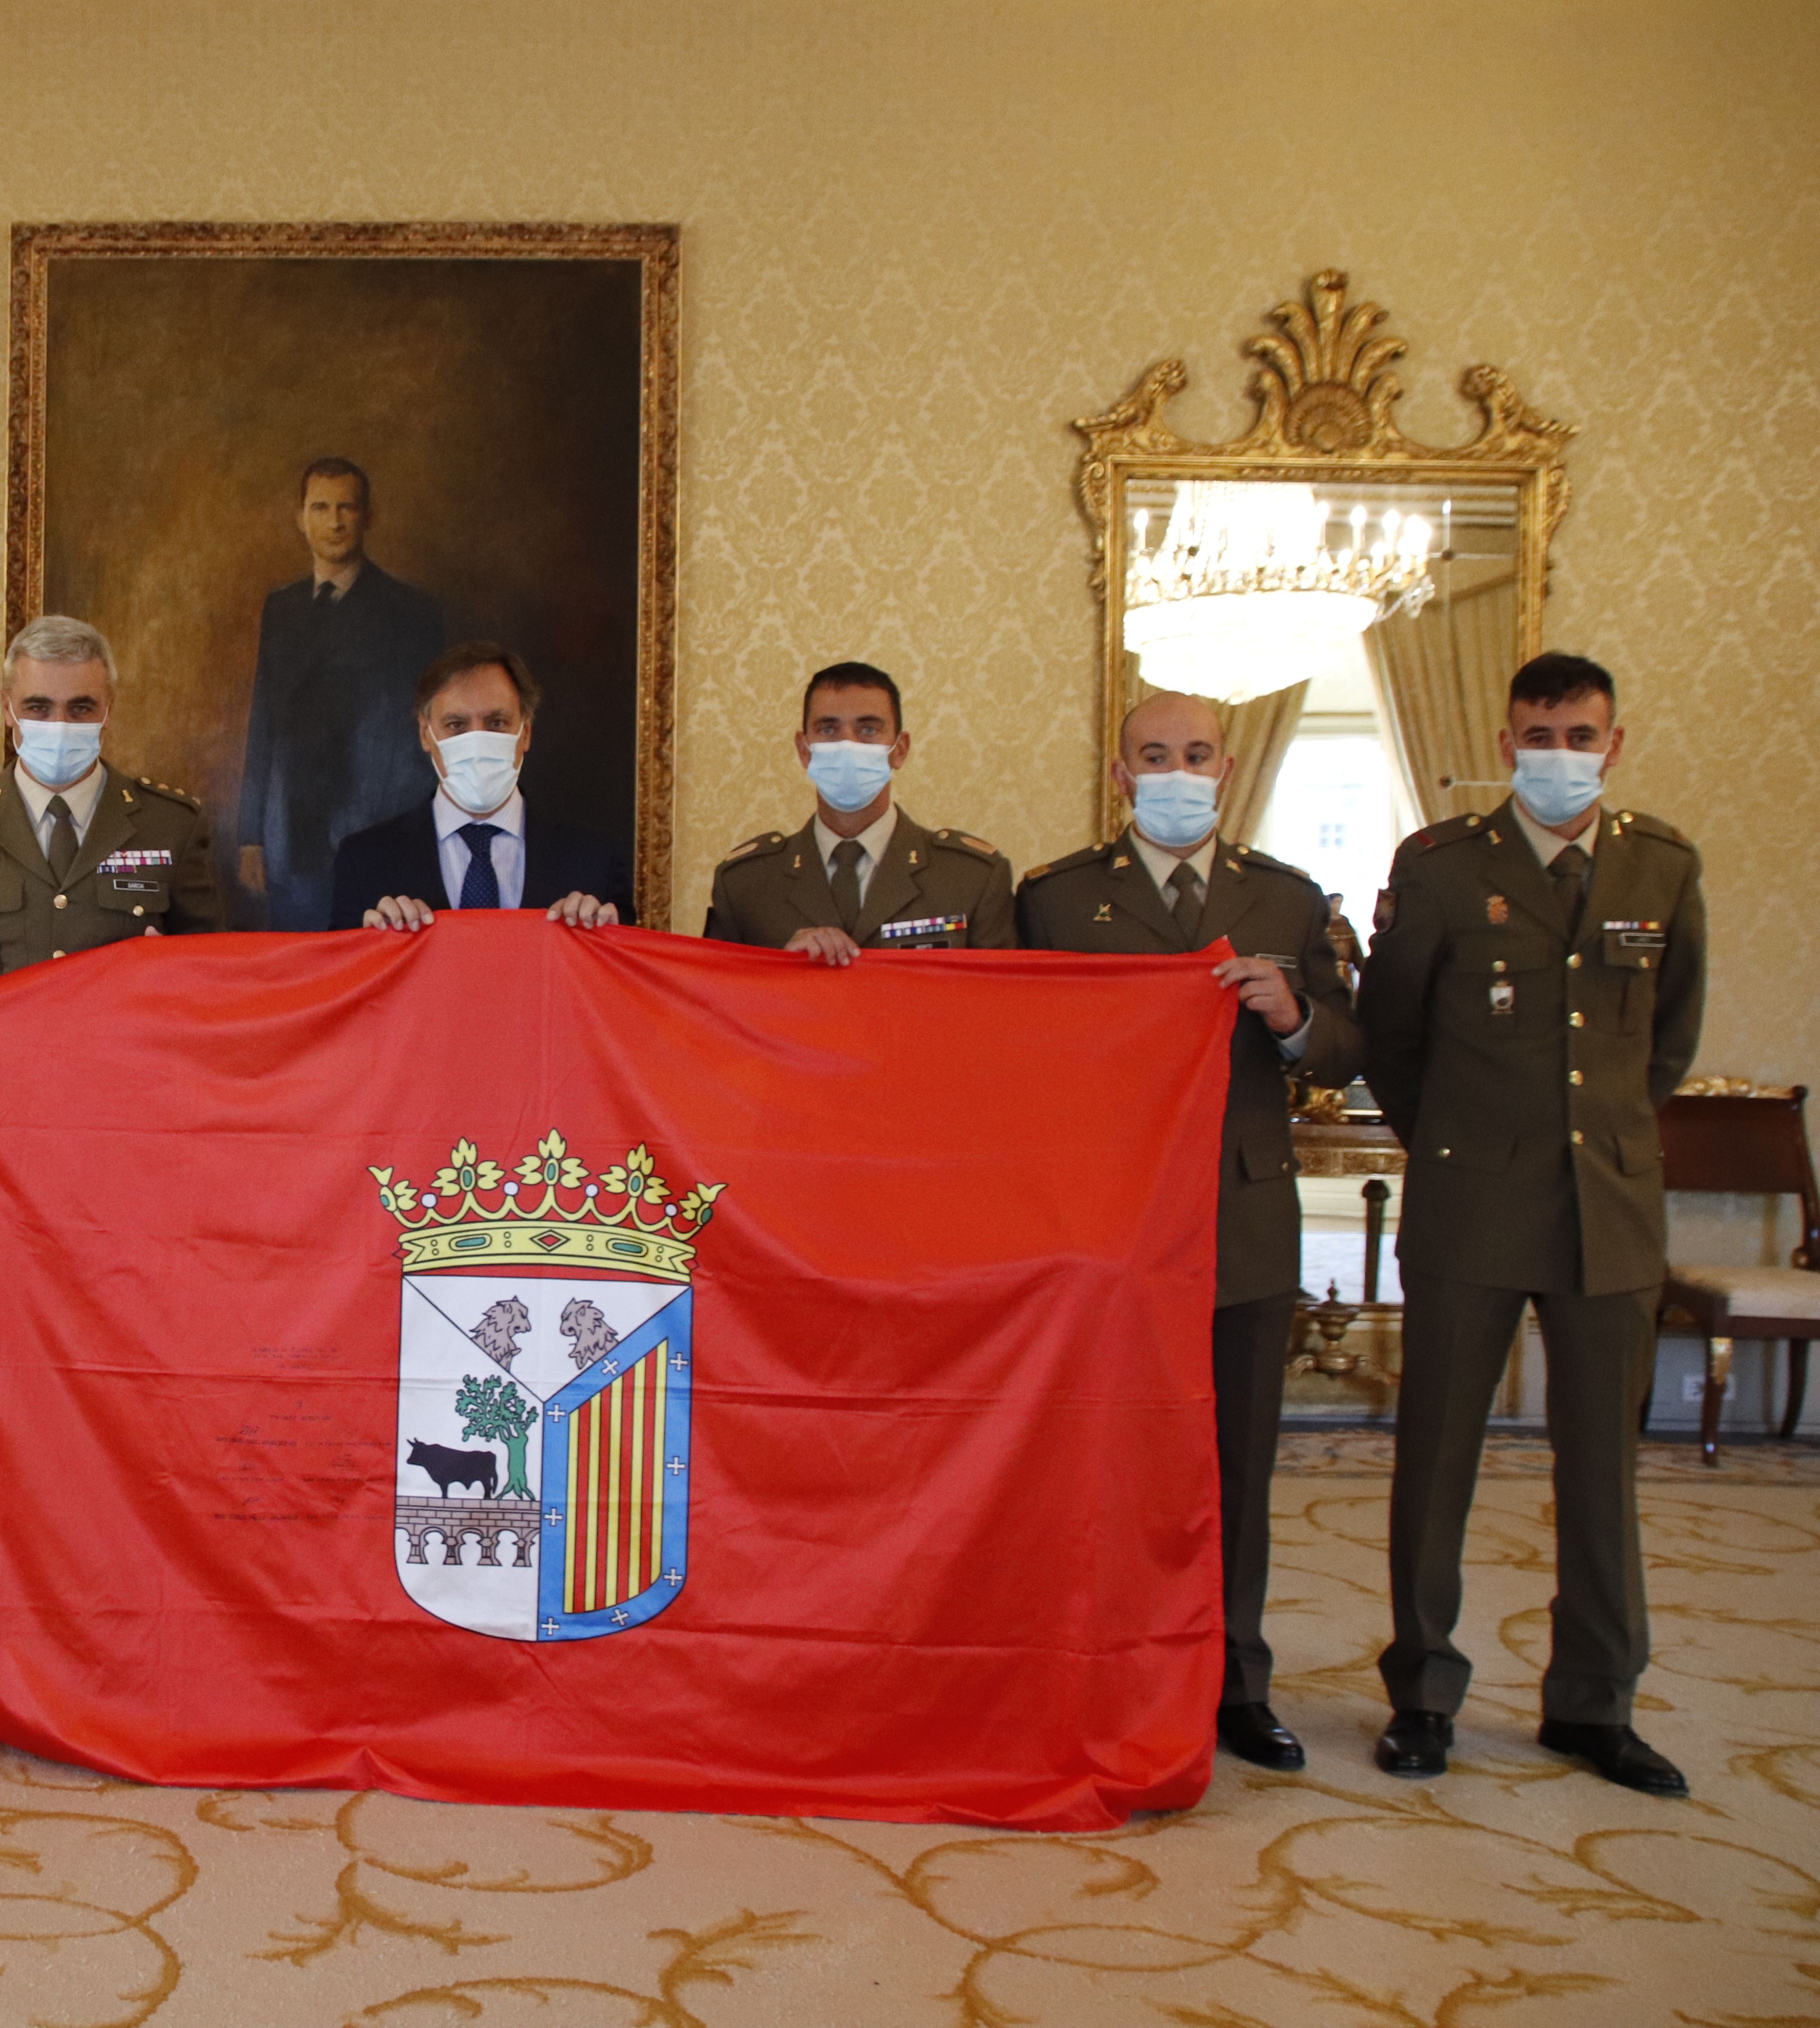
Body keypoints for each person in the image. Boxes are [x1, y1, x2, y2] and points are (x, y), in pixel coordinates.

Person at [1357, 652, 1704, 1795]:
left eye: (1582, 736)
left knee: (1603, 1464)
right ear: (1508, 743)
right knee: (1439, 1455)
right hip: (1472, 1199)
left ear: (1617, 741)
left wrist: (1600, 1138)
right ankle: (1423, 1690)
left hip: (1608, 1203)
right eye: (1540, 736)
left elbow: (1665, 1041)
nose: (1562, 757)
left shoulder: (1660, 863)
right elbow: (1392, 1039)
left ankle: (1594, 1701)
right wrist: (1459, 1142)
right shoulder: (1447, 866)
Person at [1017, 689, 1362, 1772]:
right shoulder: (1059, 901)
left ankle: (1235, 1680)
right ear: (1121, 773)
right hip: (1106, 1227)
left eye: (1197, 753)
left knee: (1236, 1462)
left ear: (1227, 766)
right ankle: (1101, 1662)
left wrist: (1293, 1014)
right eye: (1154, 754)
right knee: (1098, 1459)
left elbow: (1352, 1047)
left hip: (1241, 1218)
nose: (1177, 770)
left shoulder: (1289, 899)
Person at [0, 615, 221, 1002]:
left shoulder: (172, 825)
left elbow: (211, 971)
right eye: (38, 708)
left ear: (108, 710)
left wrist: (174, 975)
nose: (59, 725)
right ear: (7, 707)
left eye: (81, 709)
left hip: (121, 1056)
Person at [234, 458, 449, 930]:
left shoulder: (410, 611)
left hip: (375, 833)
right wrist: (252, 837)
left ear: (367, 517)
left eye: (347, 508)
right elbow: (264, 722)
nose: (334, 522)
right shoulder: (282, 608)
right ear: (302, 519)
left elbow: (424, 740)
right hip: (292, 837)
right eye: (321, 507)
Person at [704, 661, 1014, 958]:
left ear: (900, 750)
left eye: (868, 729)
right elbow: (717, 1002)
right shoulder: (746, 884)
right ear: (804, 750)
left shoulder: (971, 878)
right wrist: (779, 971)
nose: (848, 744)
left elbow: (998, 1001)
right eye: (828, 730)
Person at [331, 640, 628, 932]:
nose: (477, 741)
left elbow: (624, 975)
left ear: (526, 733)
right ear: (426, 734)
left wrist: (604, 939)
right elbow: (343, 976)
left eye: (497, 723)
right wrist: (369, 945)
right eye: (456, 725)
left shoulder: (596, 859)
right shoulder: (365, 860)